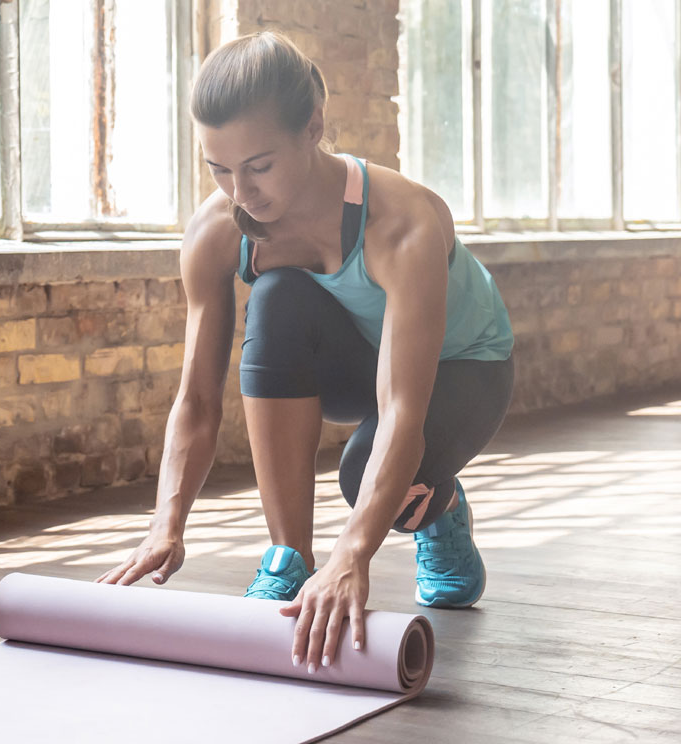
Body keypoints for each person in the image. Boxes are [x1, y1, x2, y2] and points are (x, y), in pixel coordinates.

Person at [94, 31, 514, 675]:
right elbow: (198, 399)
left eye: (258, 166)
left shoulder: (402, 223)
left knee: (361, 477)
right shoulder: (215, 232)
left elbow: (402, 408)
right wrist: (166, 523)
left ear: (312, 127)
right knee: (279, 294)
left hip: (465, 367)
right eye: (219, 168)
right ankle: (288, 555)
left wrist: (355, 554)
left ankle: (441, 508)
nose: (241, 191)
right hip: (354, 355)